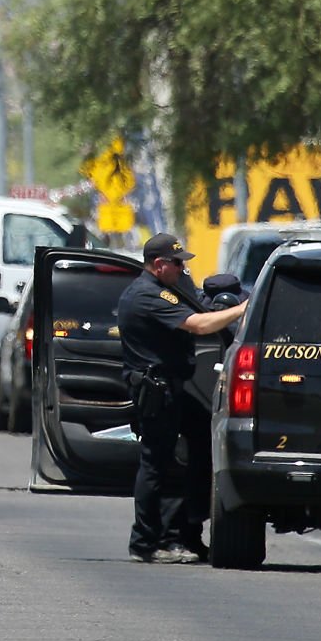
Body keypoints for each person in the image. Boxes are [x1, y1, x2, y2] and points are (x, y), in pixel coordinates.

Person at [117, 233, 248, 563]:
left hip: (172, 387)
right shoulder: (148, 295)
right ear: (159, 265)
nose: (182, 268)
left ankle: (186, 532)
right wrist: (245, 308)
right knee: (155, 465)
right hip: (157, 390)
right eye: (177, 263)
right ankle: (146, 542)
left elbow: (199, 309)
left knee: (203, 439)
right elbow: (201, 325)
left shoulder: (166, 289)